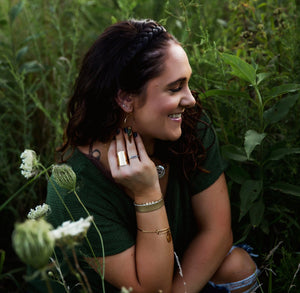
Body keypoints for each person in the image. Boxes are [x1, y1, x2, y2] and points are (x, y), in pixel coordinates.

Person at [44, 19, 259, 293]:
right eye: (175, 87)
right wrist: (147, 194)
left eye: (187, 83)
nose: (190, 100)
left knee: (237, 267)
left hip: (174, 282)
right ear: (125, 99)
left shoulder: (188, 127)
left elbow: (217, 232)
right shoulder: (76, 184)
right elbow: (151, 290)